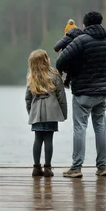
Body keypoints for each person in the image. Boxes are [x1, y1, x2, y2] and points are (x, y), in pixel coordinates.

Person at [56, 11, 106, 178]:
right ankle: (102, 167)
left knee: (80, 128)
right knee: (100, 127)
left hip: (83, 93)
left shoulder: (81, 40)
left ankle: (76, 167)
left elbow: (60, 61)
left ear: (85, 25)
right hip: (102, 92)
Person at [25, 49, 68, 177]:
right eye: (47, 57)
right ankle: (48, 168)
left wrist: (31, 113)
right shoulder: (54, 76)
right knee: (49, 139)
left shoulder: (31, 78)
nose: (49, 58)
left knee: (37, 139)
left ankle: (36, 167)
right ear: (45, 61)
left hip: (37, 114)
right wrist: (63, 113)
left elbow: (28, 98)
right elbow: (61, 96)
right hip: (52, 113)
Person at [53, 19, 84, 88]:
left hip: (67, 61)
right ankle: (67, 82)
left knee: (60, 64)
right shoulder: (81, 39)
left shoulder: (67, 38)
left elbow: (56, 48)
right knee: (72, 66)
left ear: (67, 31)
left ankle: (58, 80)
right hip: (78, 64)